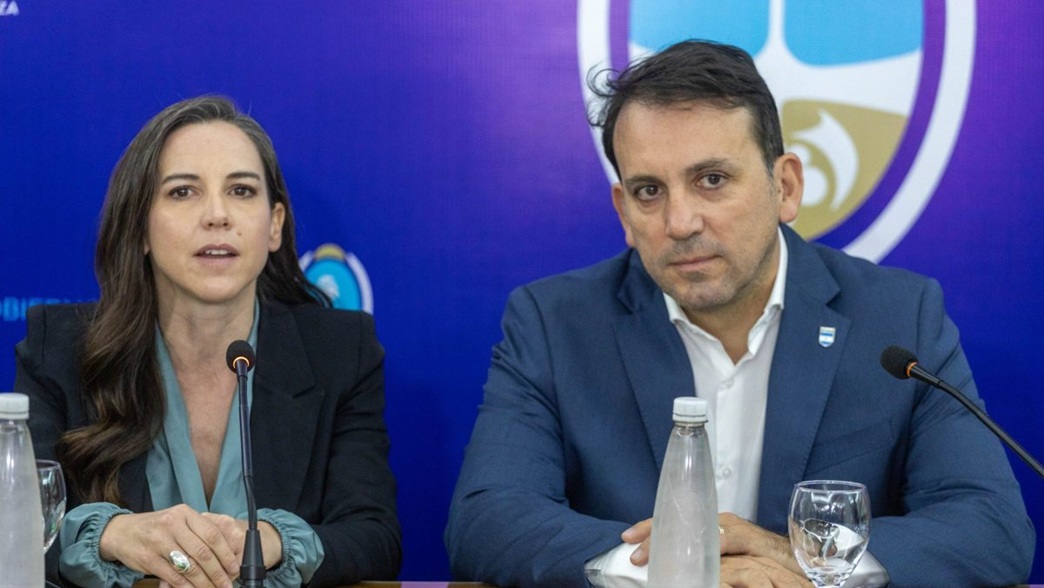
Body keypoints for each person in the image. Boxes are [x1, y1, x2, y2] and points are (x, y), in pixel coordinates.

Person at [445, 40, 1035, 587]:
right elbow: (487, 518)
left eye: (712, 179)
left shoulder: (899, 317)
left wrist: (800, 558)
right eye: (649, 191)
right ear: (623, 211)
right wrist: (675, 567)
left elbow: (990, 524)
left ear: (786, 187)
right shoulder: (554, 323)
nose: (680, 222)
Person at [16, 96, 401, 587]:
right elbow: (13, 525)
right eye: (183, 192)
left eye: (241, 190)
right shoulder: (59, 349)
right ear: (140, 227)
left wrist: (273, 542)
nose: (217, 215)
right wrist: (112, 535)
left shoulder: (340, 352)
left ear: (274, 226)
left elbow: (374, 537)